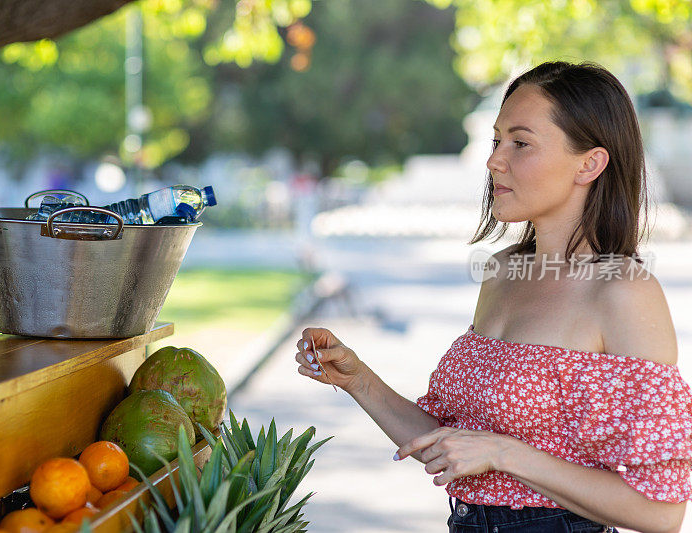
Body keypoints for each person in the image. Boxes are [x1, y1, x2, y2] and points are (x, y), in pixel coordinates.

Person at [294, 61, 692, 533]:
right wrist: (357, 379)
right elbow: (454, 445)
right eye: (496, 141)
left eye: (520, 143)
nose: (494, 161)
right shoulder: (503, 272)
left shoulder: (623, 291)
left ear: (590, 163)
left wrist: (505, 453)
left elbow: (661, 512)